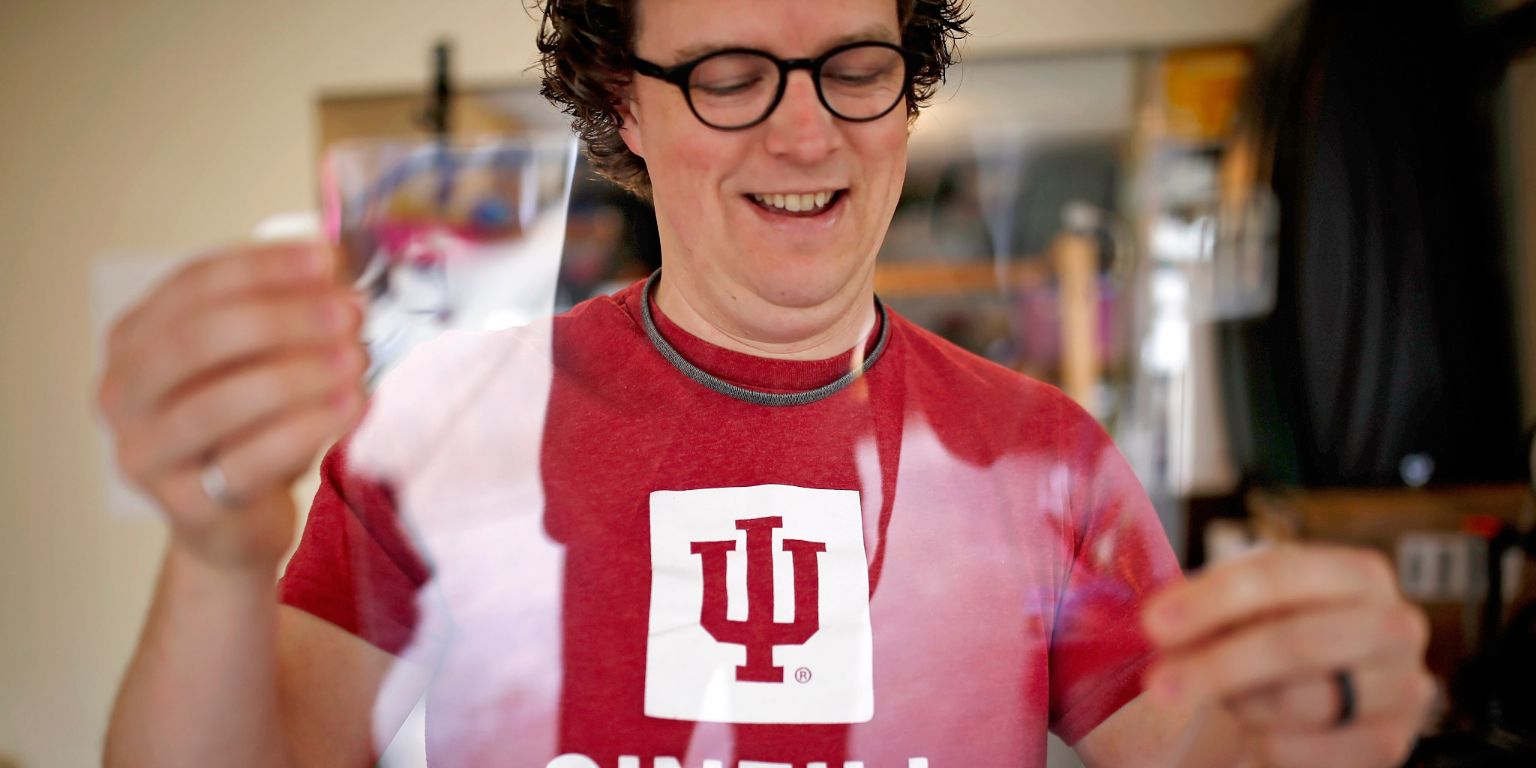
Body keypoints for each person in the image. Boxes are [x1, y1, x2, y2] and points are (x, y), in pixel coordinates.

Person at [98, 0, 1435, 766]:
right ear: (627, 102)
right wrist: (214, 556)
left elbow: (1210, 756)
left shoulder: (1045, 457)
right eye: (730, 76)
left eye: (856, 66)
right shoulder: (447, 425)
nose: (809, 129)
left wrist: (1324, 720)